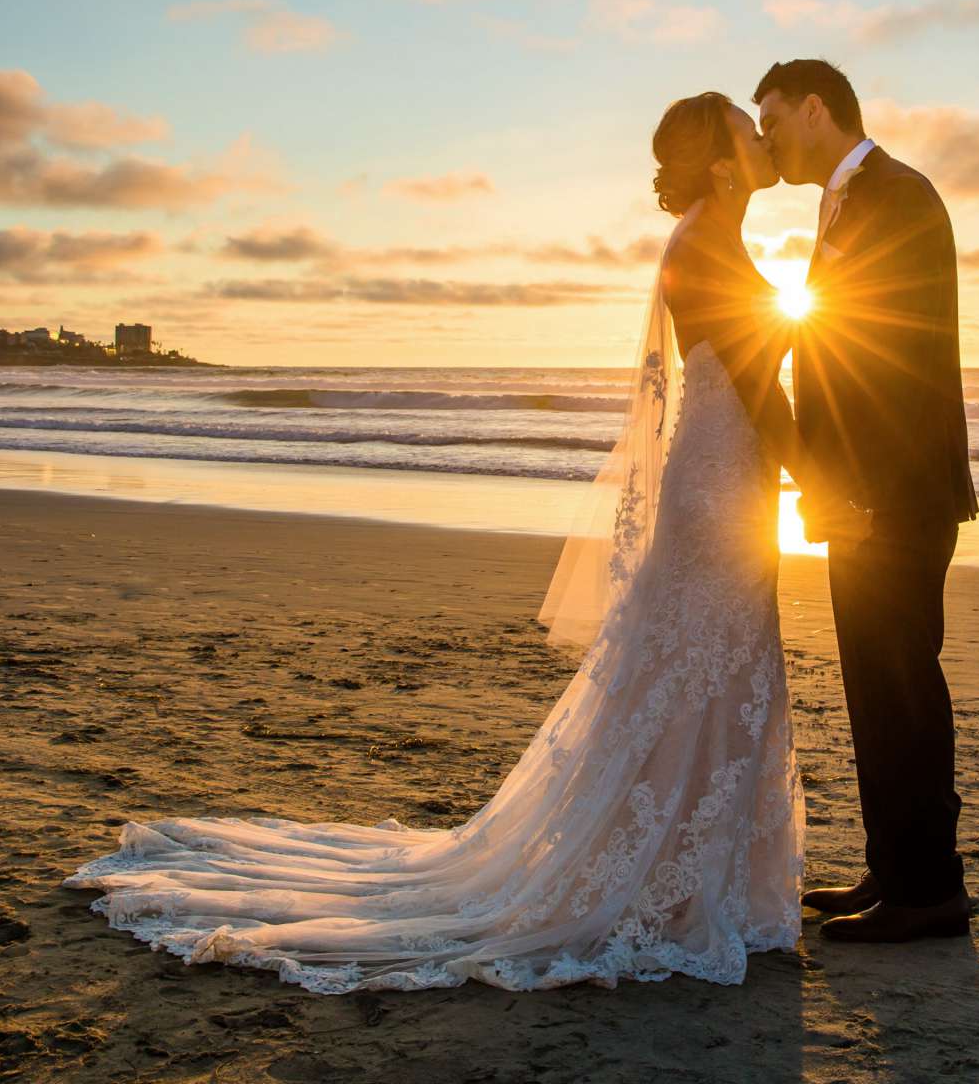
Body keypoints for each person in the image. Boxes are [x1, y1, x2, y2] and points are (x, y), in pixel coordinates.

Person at [65, 92, 809, 993]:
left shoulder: (716, 238)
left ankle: (690, 872)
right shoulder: (705, 244)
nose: (762, 137)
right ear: (725, 161)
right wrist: (822, 476)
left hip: (728, 476)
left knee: (711, 671)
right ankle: (664, 880)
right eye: (746, 125)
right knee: (703, 668)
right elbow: (756, 390)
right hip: (721, 484)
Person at [754, 57, 979, 944]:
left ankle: (927, 891)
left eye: (773, 122)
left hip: (897, 492)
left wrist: (856, 491)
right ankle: (897, 870)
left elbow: (891, 361)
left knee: (903, 687)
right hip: (869, 491)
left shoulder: (897, 195)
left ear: (817, 109)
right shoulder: (846, 199)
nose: (767, 142)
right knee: (875, 688)